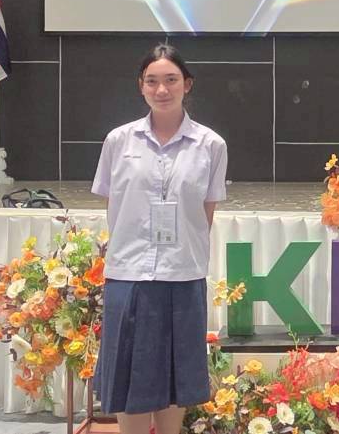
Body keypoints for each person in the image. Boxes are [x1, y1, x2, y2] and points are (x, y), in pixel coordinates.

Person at [91, 44, 228, 434]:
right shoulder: (119, 140)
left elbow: (205, 213)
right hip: (128, 274)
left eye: (171, 80)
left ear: (187, 84)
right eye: (152, 81)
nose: (162, 89)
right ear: (141, 86)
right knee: (127, 379)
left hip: (182, 275)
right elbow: (113, 205)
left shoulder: (211, 145)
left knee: (175, 378)